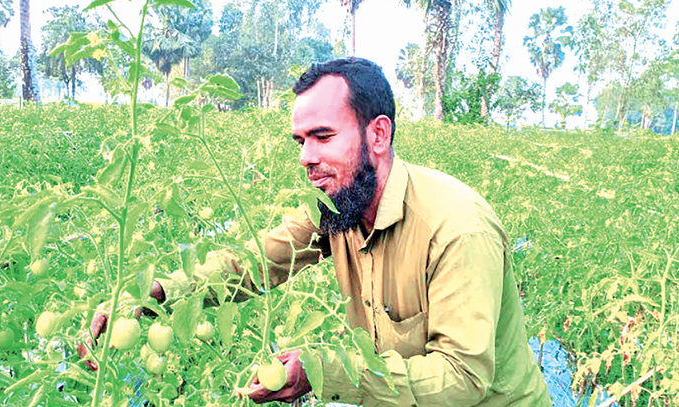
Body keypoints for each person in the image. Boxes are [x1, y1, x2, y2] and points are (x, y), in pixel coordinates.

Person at [89, 57, 552, 406]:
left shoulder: (457, 229)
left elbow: (463, 380)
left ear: (378, 135)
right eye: (301, 140)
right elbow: (252, 264)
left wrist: (323, 371)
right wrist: (158, 293)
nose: (306, 157)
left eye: (323, 137)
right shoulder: (337, 206)